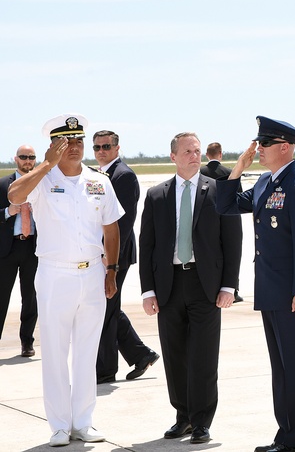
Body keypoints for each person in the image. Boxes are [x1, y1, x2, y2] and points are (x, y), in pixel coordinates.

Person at [8, 114, 123, 447]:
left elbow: (111, 227)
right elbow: (15, 196)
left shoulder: (99, 180)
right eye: (66, 142)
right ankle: (58, 425)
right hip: (54, 273)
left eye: (78, 141)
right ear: (54, 145)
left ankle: (83, 421)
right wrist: (45, 164)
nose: (73, 147)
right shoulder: (42, 179)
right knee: (56, 353)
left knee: (87, 352)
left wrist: (112, 270)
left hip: (92, 273)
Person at [216, 116, 295, 452]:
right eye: (258, 143)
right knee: (281, 369)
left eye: (264, 144)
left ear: (285, 146)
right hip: (270, 289)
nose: (259, 149)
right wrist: (237, 168)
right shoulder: (266, 182)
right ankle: (286, 435)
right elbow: (225, 205)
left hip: (293, 293)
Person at [139, 132, 242, 445]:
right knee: (175, 355)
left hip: (205, 284)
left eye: (197, 151)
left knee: (203, 356)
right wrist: (148, 291)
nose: (194, 156)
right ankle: (182, 417)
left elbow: (232, 241)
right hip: (169, 284)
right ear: (173, 156)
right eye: (187, 151)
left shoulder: (218, 192)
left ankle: (201, 422)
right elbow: (148, 246)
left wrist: (229, 286)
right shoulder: (157, 195)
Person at [93, 130, 159, 384]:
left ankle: (106, 369)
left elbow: (123, 222)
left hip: (114, 256)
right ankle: (141, 354)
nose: (101, 151)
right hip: (101, 253)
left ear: (117, 149)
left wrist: (110, 261)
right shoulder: (96, 175)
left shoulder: (124, 176)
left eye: (106, 146)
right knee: (108, 307)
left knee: (106, 309)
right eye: (97, 147)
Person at [0, 145, 39, 357]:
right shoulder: (3, 184)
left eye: (31, 157)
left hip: (33, 248)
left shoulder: (41, 184)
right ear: (15, 159)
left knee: (30, 298)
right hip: (8, 248)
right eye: (23, 157)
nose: (27, 161)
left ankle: (27, 342)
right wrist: (7, 211)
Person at [200, 141, 245, 303]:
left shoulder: (200, 172)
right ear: (220, 154)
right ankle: (234, 289)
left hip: (205, 221)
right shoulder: (229, 172)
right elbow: (237, 197)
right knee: (231, 253)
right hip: (227, 219)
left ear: (207, 155)